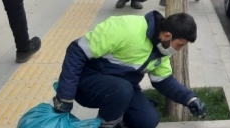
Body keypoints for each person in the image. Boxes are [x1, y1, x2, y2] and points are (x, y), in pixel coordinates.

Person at [52, 11, 207, 128]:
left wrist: (190, 99)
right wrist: (65, 96)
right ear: (167, 36)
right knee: (122, 89)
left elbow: (164, 81)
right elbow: (76, 51)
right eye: (179, 45)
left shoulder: (162, 49)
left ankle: (119, 116)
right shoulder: (125, 28)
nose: (178, 50)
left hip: (122, 86)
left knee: (148, 121)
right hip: (87, 81)